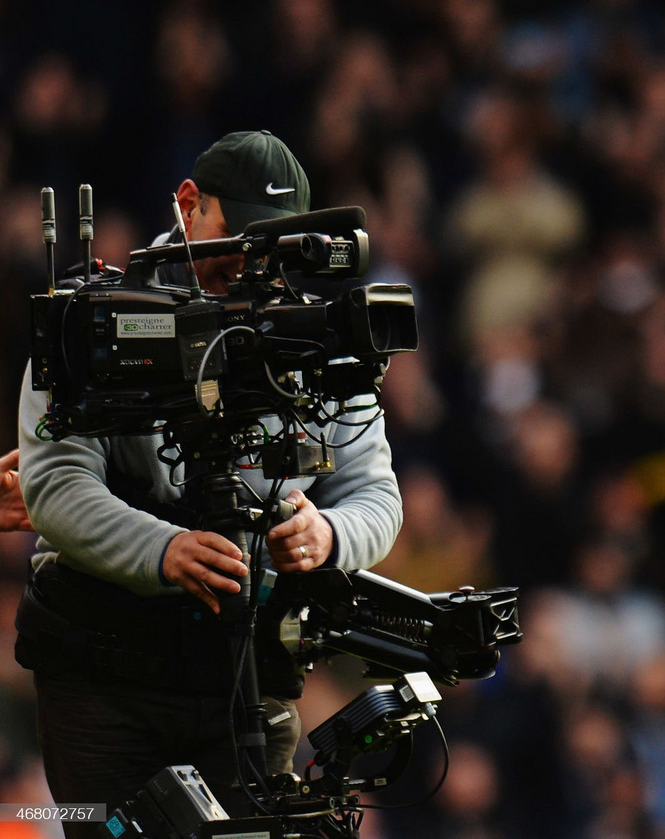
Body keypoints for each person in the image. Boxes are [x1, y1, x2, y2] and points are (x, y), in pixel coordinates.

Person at [15, 130, 403, 836]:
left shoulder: (316, 332)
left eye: (275, 241)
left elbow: (377, 497)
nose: (252, 259)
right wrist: (163, 549)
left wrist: (329, 533)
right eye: (241, 234)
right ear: (188, 204)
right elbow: (57, 484)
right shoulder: (96, 315)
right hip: (107, 682)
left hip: (251, 675)